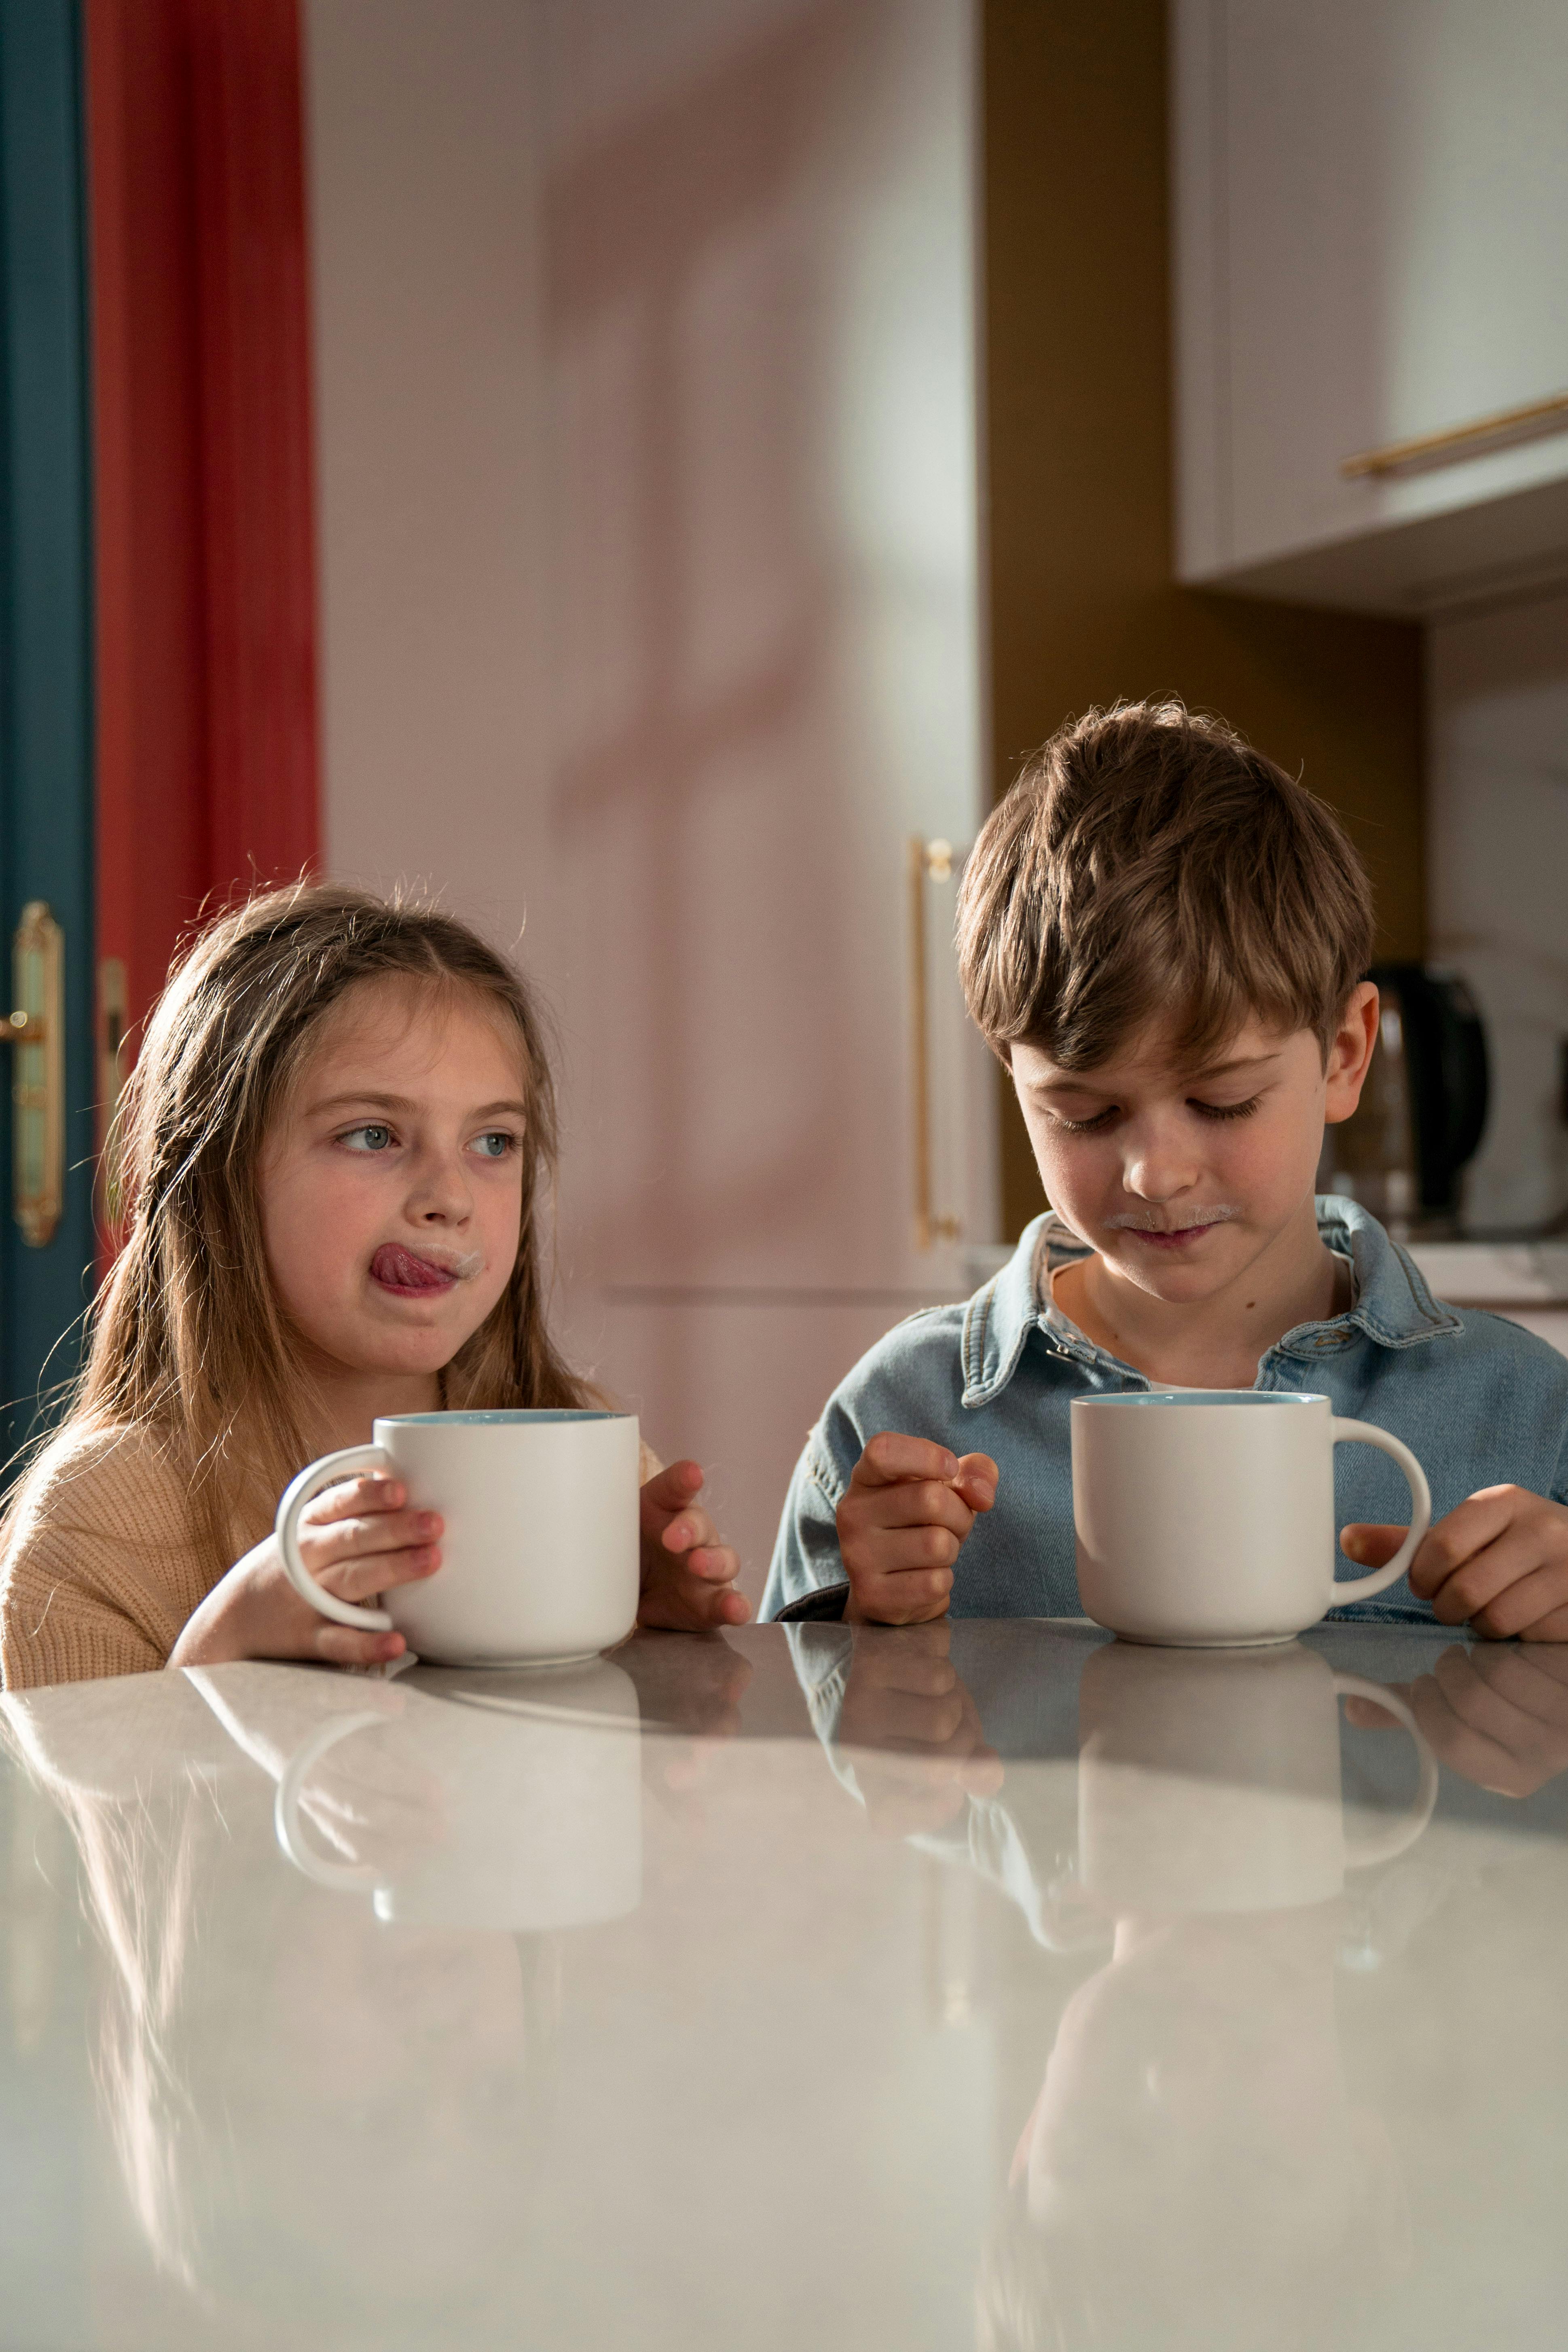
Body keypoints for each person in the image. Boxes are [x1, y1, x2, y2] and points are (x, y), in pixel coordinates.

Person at [764, 700, 1568, 1635]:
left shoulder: (1519, 1407)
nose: (1154, 1172)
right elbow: (799, 1751)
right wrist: (857, 1630)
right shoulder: (904, 1413)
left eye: (1222, 1101)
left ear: (1345, 1055)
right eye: (1085, 1112)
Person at [0, 885, 746, 1689]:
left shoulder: (587, 1459)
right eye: (372, 1134)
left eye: (492, 1141)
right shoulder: (100, 1522)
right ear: (217, 1177)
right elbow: (71, 1817)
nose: (450, 1196)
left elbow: (644, 1786)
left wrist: (653, 1638)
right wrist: (221, 1658)